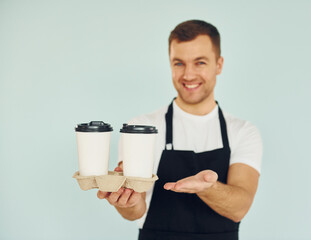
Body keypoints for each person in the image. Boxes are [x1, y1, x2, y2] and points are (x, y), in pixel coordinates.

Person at [97, 19, 263, 240]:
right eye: (179, 63)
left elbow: (239, 207)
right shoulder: (142, 129)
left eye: (200, 62)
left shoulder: (243, 131)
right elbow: (135, 211)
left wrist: (206, 188)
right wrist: (128, 202)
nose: (188, 75)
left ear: (219, 64)